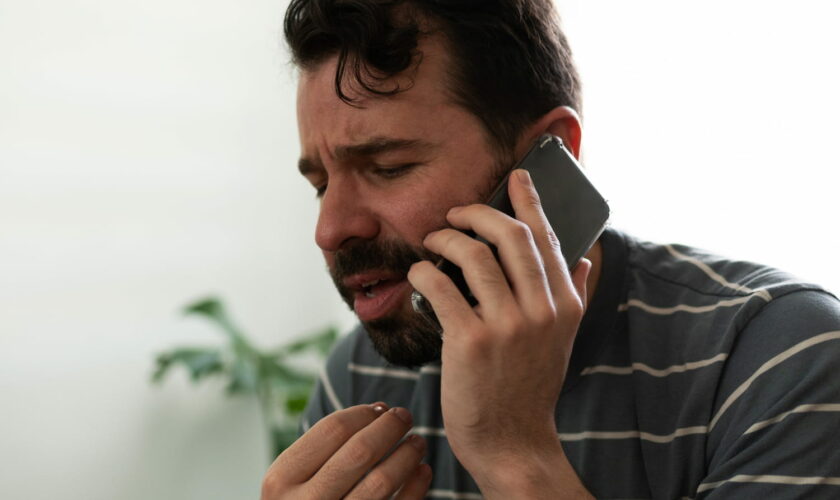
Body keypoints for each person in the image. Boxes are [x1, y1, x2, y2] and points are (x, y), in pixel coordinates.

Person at [261, 1, 840, 498]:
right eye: (319, 185)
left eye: (389, 167)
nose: (330, 230)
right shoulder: (360, 377)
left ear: (550, 154)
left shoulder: (779, 357)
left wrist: (514, 454)